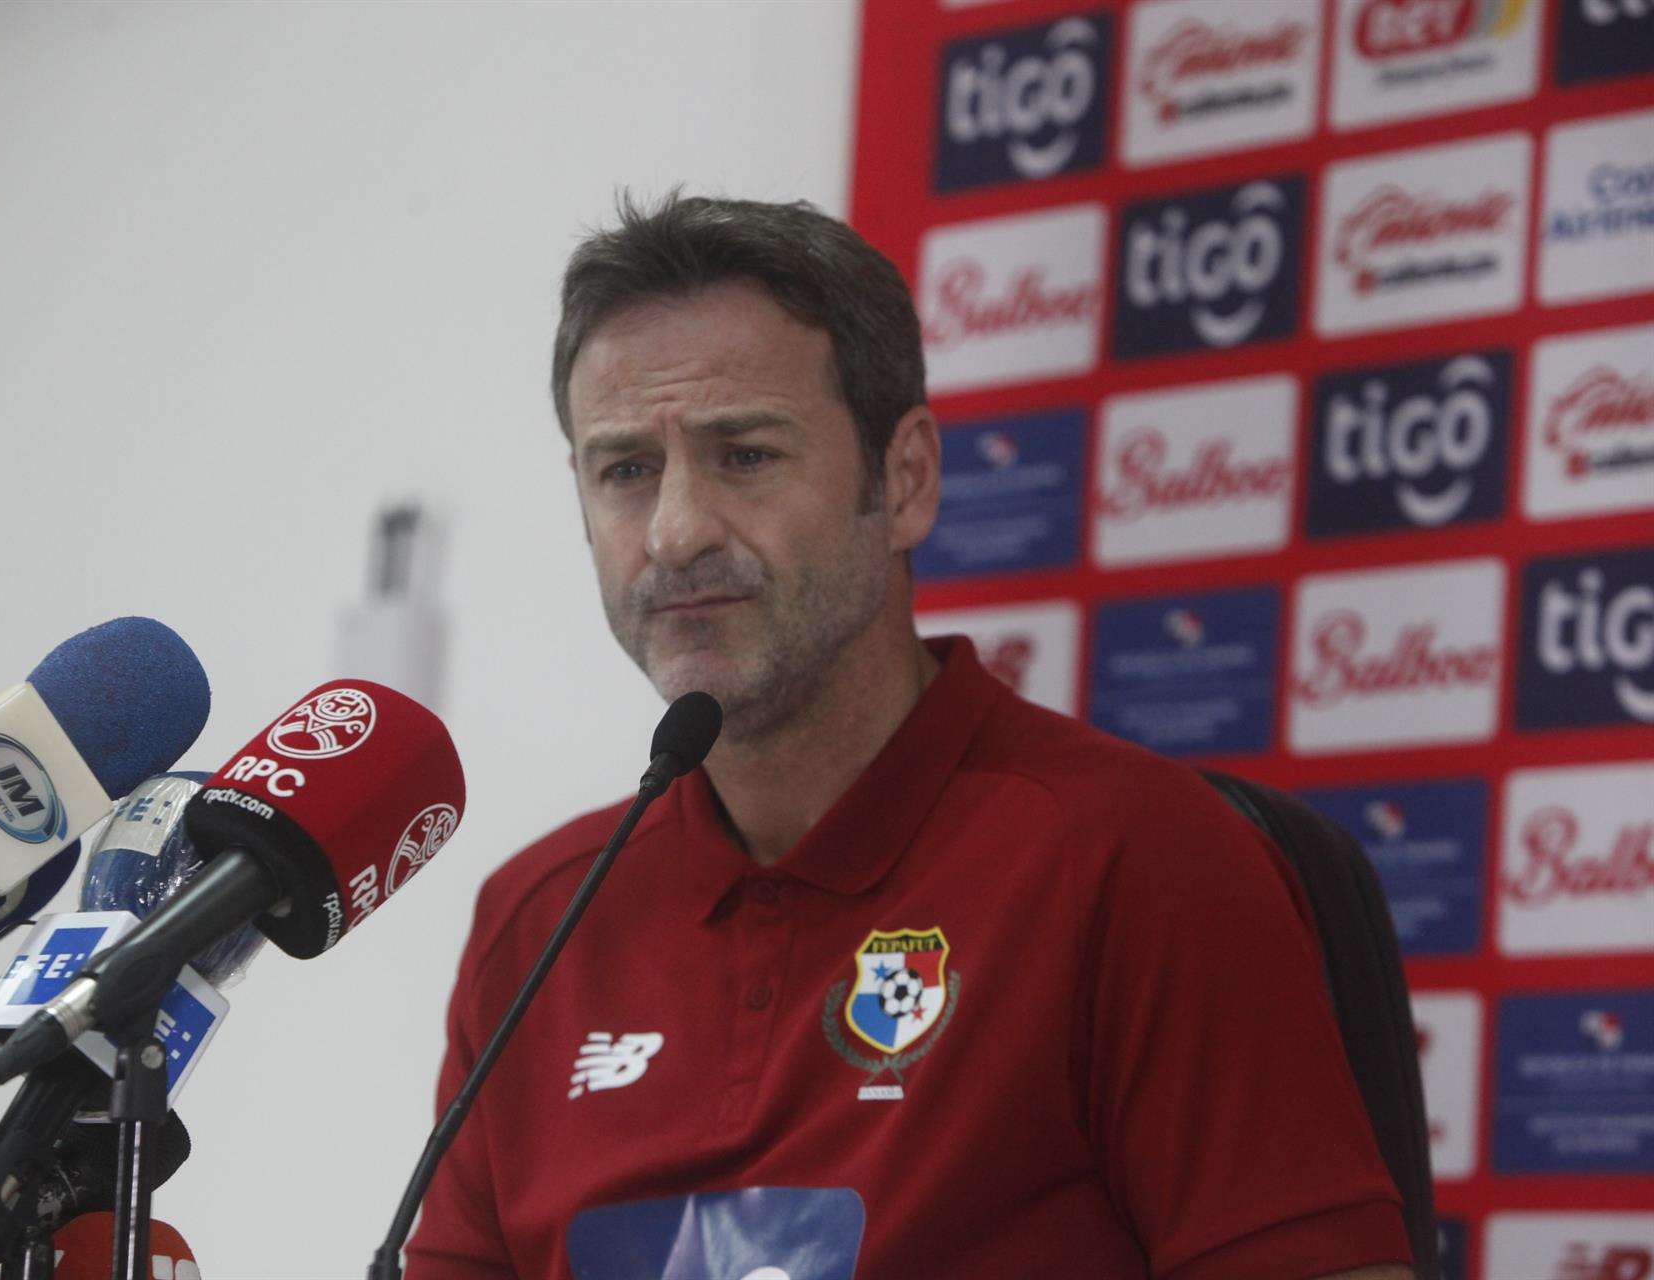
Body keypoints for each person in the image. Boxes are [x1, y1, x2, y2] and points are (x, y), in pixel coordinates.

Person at [405, 192, 1417, 1280]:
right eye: (625, 470)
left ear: (905, 480)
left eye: (743, 454)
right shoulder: (536, 919)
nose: (676, 530)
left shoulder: (1140, 858)